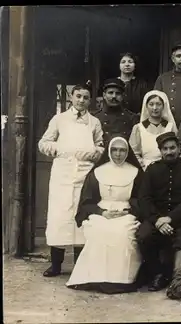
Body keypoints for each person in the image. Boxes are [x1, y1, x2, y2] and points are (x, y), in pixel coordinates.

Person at [38, 82, 104, 277]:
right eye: (78, 96)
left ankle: (79, 265)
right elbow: (43, 142)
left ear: (89, 100)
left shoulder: (94, 122)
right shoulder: (59, 119)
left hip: (84, 172)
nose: (81, 100)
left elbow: (100, 145)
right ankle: (56, 265)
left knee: (81, 215)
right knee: (59, 217)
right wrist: (58, 149)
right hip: (63, 172)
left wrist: (93, 153)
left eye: (85, 97)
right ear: (72, 97)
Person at [66, 136, 143, 294]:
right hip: (101, 211)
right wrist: (102, 212)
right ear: (109, 151)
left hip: (126, 213)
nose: (118, 154)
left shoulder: (136, 173)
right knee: (99, 231)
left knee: (122, 233)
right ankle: (95, 278)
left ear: (127, 152)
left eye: (122, 150)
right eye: (114, 150)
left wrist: (127, 211)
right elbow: (87, 201)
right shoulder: (97, 173)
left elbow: (140, 199)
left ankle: (122, 280)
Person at [136, 132, 181, 300]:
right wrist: (157, 220)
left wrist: (170, 218)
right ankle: (158, 274)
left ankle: (177, 282)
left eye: (172, 148)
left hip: (180, 218)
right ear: (160, 151)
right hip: (156, 218)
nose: (169, 152)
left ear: (179, 148)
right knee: (144, 235)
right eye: (165, 149)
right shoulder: (152, 170)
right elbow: (144, 198)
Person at [129, 90, 178, 170]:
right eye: (151, 104)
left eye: (158, 104)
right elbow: (134, 153)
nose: (155, 108)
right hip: (146, 169)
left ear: (163, 106)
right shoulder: (138, 128)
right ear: (146, 106)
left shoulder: (170, 127)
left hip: (167, 168)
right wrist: (143, 165)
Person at [93, 78, 139, 146]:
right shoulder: (95, 118)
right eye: (110, 93)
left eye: (118, 93)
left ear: (122, 96)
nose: (114, 96)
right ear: (104, 95)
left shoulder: (132, 118)